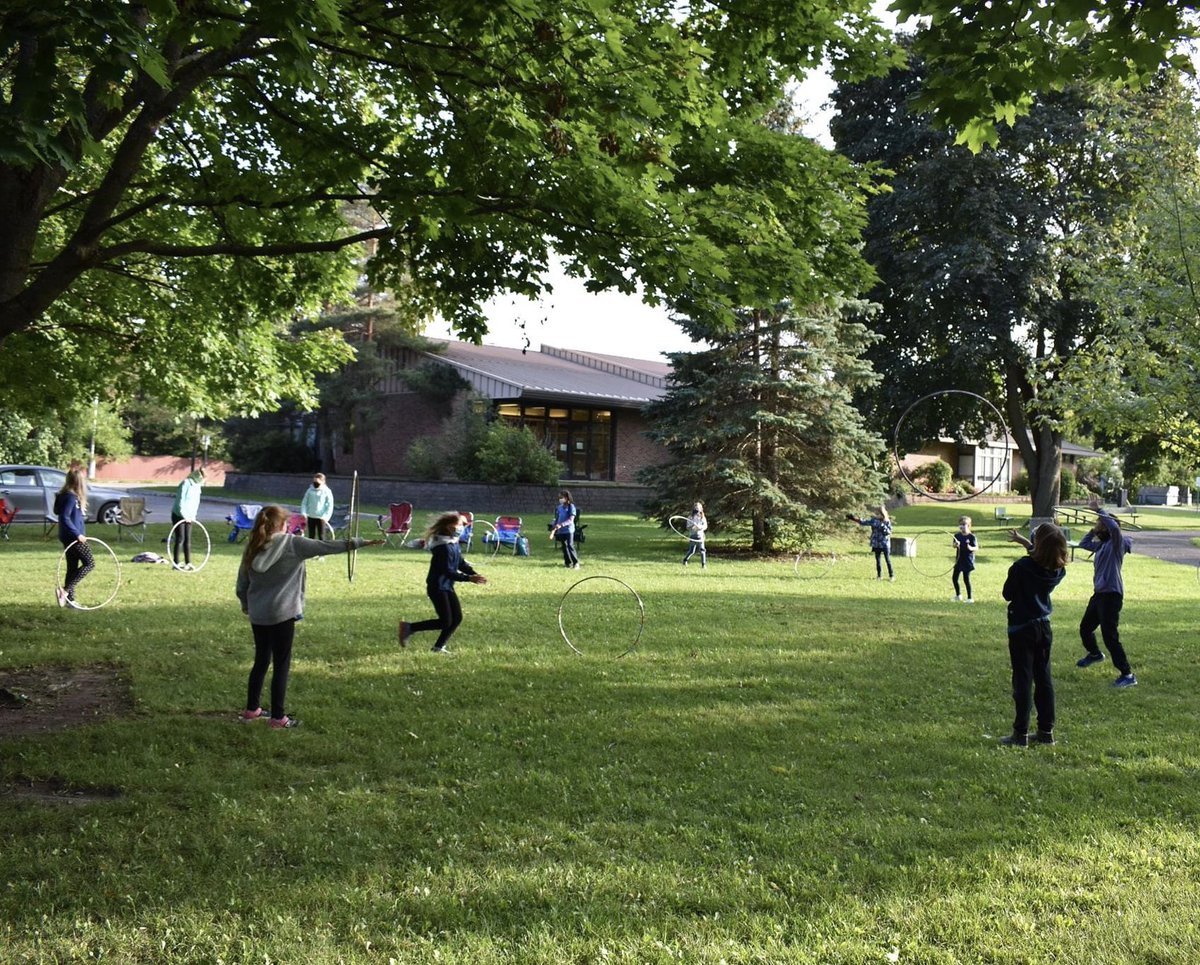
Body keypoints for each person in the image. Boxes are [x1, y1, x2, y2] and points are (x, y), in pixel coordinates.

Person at [236, 504, 383, 728]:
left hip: (259, 613)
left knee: (261, 660)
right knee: (281, 664)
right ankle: (278, 717)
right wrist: (359, 542)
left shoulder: (253, 545)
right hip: (282, 613)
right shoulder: (293, 544)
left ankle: (251, 709)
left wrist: (247, 605)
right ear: (282, 524)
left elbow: (242, 583)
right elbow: (326, 546)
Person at [1000, 522, 1069, 746]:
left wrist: (1027, 548)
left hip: (1022, 628)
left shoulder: (1021, 567)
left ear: (1038, 544)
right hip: (1044, 628)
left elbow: (1007, 594)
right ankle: (1046, 732)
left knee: (1023, 680)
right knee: (1043, 679)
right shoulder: (1057, 569)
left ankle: (1020, 734)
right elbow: (1042, 559)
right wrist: (1025, 543)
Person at [399, 512, 487, 653]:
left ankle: (438, 647)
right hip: (437, 587)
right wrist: (468, 578)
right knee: (445, 621)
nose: (462, 527)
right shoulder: (442, 547)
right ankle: (409, 627)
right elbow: (448, 571)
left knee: (456, 618)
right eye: (460, 525)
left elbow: (460, 563)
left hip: (446, 586)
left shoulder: (453, 542)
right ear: (448, 527)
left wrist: (473, 574)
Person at [1075, 496, 1137, 688]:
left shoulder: (1117, 544)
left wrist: (1099, 512)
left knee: (1110, 636)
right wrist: (1093, 529)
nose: (1097, 526)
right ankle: (1095, 654)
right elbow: (1083, 544)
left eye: (1100, 524)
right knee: (1085, 628)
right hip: (1099, 594)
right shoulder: (1102, 545)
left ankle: (1127, 674)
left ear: (1108, 527)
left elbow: (1115, 529)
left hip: (1111, 595)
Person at [54, 467, 93, 608]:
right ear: (79, 482)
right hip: (74, 538)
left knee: (72, 567)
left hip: (67, 536)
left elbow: (60, 512)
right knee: (89, 563)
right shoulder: (71, 497)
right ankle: (65, 591)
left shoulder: (64, 495)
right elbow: (64, 517)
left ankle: (70, 601)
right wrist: (77, 534)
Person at [847, 505, 894, 580]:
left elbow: (888, 532)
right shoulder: (874, 520)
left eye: (878, 514)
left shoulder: (887, 521)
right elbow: (864, 522)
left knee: (887, 560)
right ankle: (879, 576)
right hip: (876, 544)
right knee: (878, 560)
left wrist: (882, 525)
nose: (876, 515)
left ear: (882, 514)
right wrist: (854, 519)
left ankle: (891, 576)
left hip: (885, 544)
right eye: (876, 514)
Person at [170, 468, 204, 570]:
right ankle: (176, 563)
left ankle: (188, 563)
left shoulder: (198, 486)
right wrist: (184, 516)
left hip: (189, 516)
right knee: (180, 538)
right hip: (178, 515)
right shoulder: (185, 483)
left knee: (188, 539)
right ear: (199, 476)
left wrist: (193, 516)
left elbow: (196, 503)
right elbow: (180, 501)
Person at [550, 489, 580, 570]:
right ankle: (567, 563)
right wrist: (554, 525)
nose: (560, 499)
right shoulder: (559, 507)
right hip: (561, 531)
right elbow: (557, 518)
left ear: (567, 498)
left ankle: (576, 563)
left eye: (562, 497)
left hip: (569, 530)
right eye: (559, 497)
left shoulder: (571, 507)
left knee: (570, 545)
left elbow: (571, 520)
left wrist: (561, 525)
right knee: (564, 547)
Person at [300, 472, 334, 540]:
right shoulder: (309, 490)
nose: (315, 484)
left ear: (323, 482)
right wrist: (303, 513)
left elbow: (330, 505)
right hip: (311, 516)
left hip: (321, 518)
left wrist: (326, 517)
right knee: (311, 536)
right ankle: (311, 547)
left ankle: (322, 547)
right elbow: (304, 503)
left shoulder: (327, 491)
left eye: (317, 482)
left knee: (321, 536)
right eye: (314, 482)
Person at [951, 515, 977, 602]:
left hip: (968, 561)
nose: (961, 526)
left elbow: (976, 547)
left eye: (964, 524)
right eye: (960, 525)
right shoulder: (957, 536)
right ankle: (958, 595)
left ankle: (970, 598)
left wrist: (970, 548)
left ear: (968, 525)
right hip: (959, 560)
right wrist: (956, 544)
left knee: (966, 579)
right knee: (954, 578)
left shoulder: (972, 537)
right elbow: (954, 545)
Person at [682, 501, 707, 569]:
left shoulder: (702, 517)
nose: (697, 509)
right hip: (693, 536)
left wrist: (700, 528)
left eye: (698, 508)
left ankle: (703, 564)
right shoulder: (690, 517)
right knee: (691, 551)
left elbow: (705, 526)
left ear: (701, 509)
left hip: (700, 536)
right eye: (696, 508)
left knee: (702, 550)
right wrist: (692, 527)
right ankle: (685, 560)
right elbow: (688, 526)